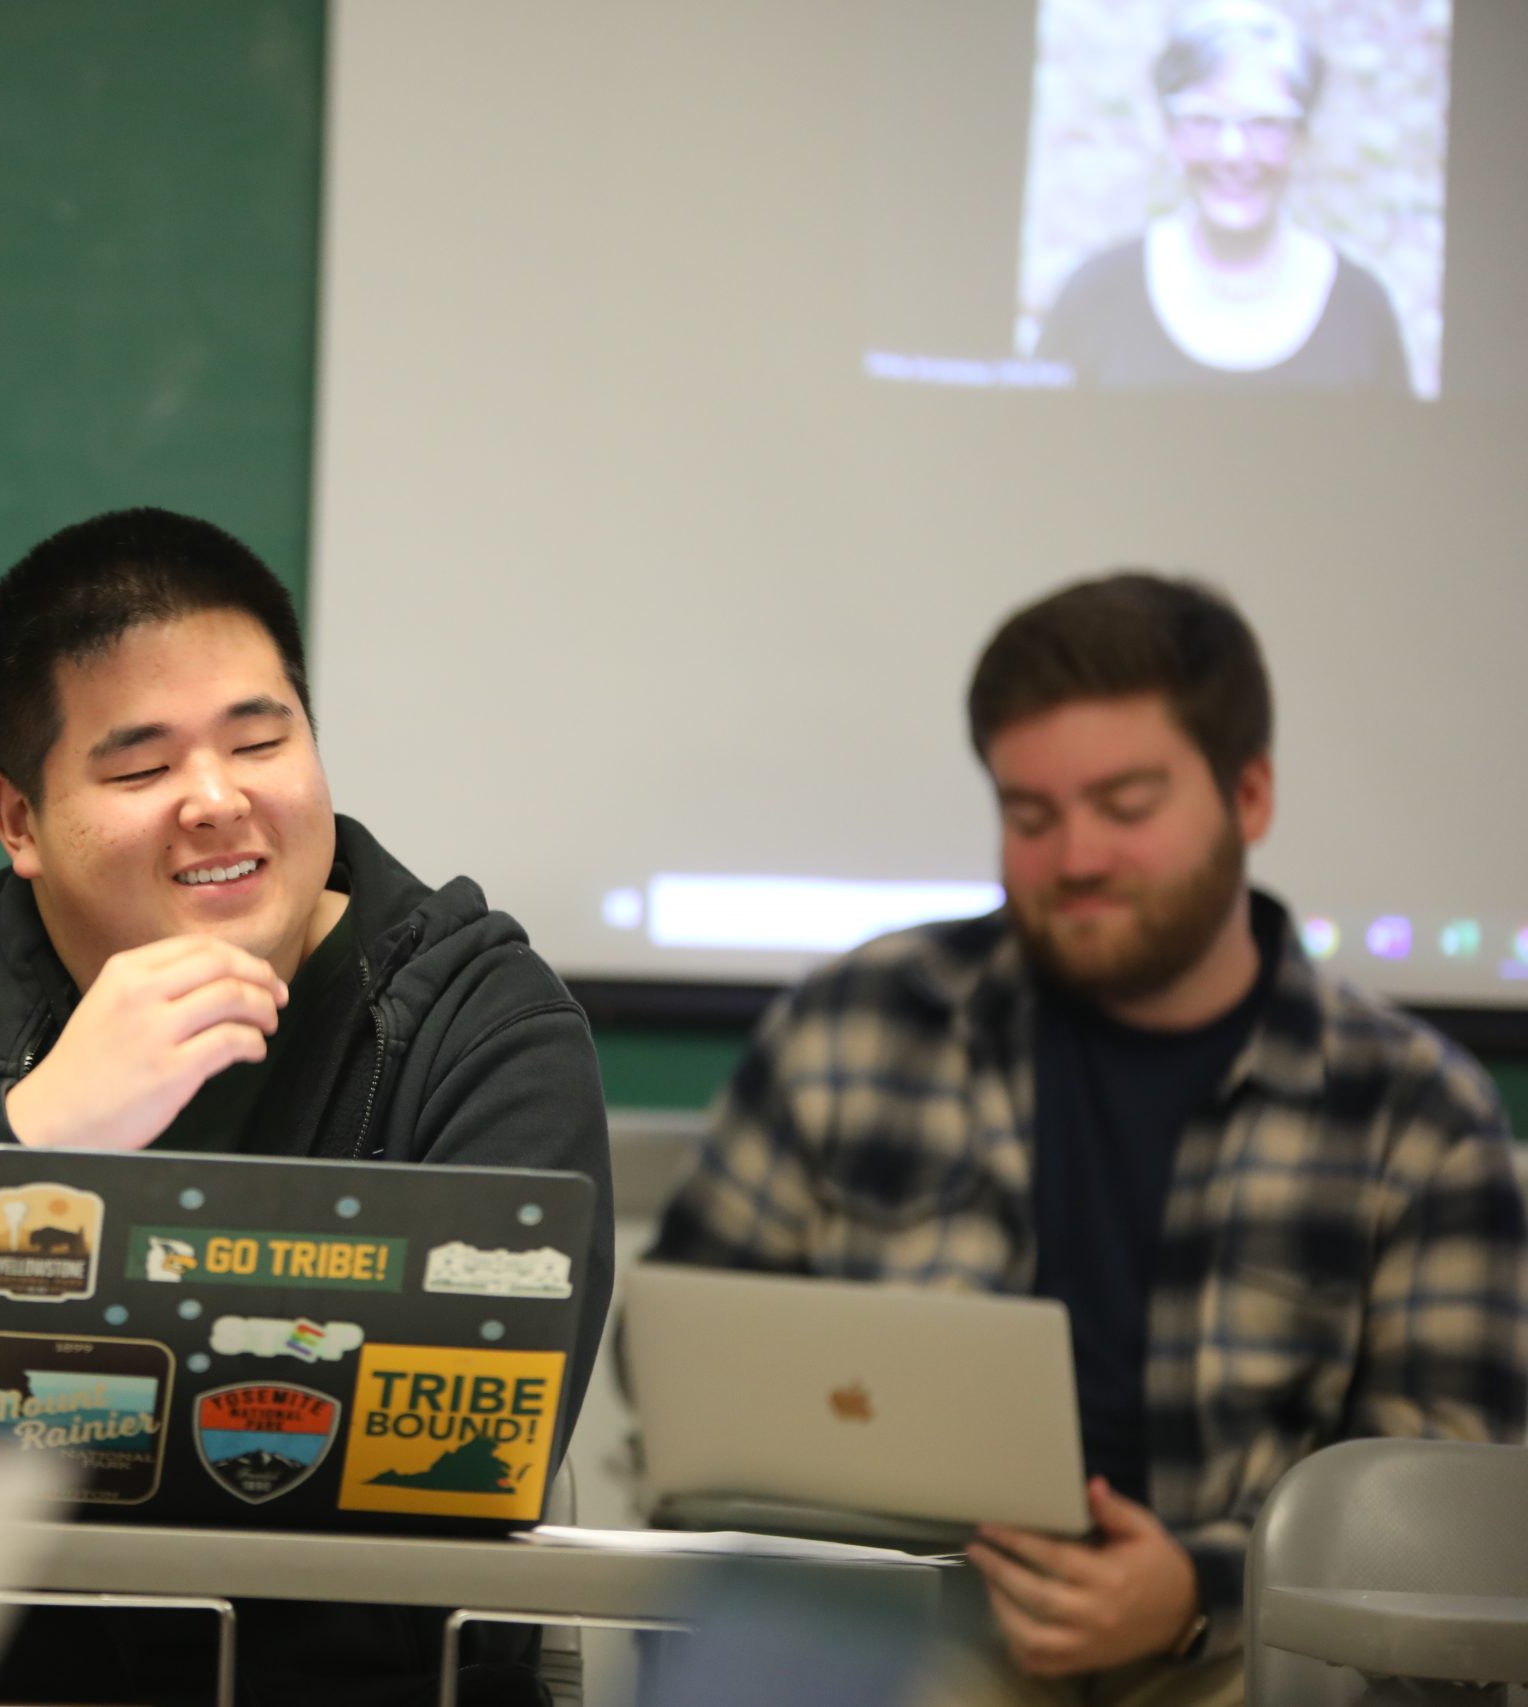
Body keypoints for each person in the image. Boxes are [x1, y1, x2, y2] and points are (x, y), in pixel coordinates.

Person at [0, 507, 614, 1707]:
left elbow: (466, 1446)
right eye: (141, 767)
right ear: (17, 820)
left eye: (261, 741)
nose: (215, 800)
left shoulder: (479, 1022)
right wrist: (29, 1141)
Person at [649, 572, 1525, 1706]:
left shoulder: (1420, 1118)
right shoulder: (856, 1023)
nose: (1075, 858)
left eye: (1126, 806)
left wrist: (1197, 1587)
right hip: (911, 1607)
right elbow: (677, 1348)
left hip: (1244, 1641)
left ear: (1248, 796)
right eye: (1031, 816)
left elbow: (1436, 1528)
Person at [1035, 0, 1414, 394]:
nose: (1232, 152)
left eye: (1264, 123)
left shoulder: (1361, 309)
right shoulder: (1096, 295)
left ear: (1301, 139)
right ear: (1171, 132)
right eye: (1204, 120)